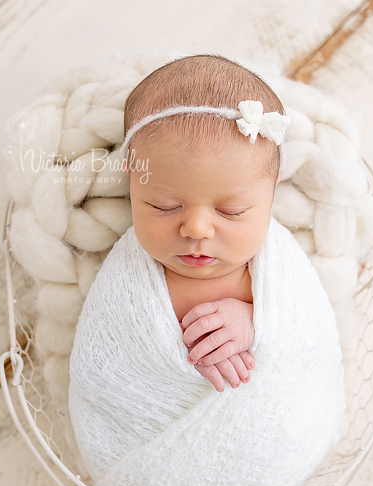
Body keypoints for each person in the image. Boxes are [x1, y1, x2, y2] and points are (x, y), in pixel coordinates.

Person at [121, 54, 288, 393]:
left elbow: (305, 324)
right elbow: (109, 358)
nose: (196, 229)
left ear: (272, 192)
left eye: (231, 211)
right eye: (164, 206)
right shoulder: (128, 279)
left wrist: (254, 323)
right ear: (131, 184)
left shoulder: (278, 273)